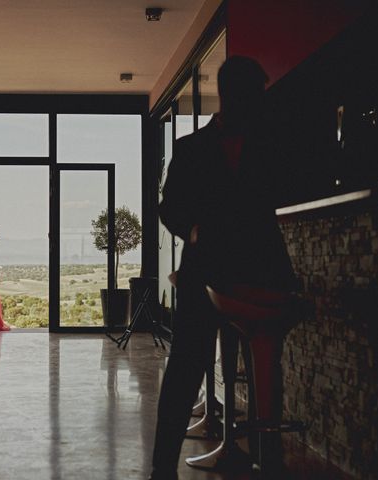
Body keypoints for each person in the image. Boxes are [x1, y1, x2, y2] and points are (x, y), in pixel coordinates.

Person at [150, 56, 297, 479]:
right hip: (209, 272)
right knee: (184, 371)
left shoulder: (270, 144)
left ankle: (268, 458)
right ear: (238, 96)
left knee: (262, 368)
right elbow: (168, 208)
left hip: (258, 275)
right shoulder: (190, 148)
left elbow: (287, 188)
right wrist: (191, 228)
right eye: (257, 96)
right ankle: (163, 469)